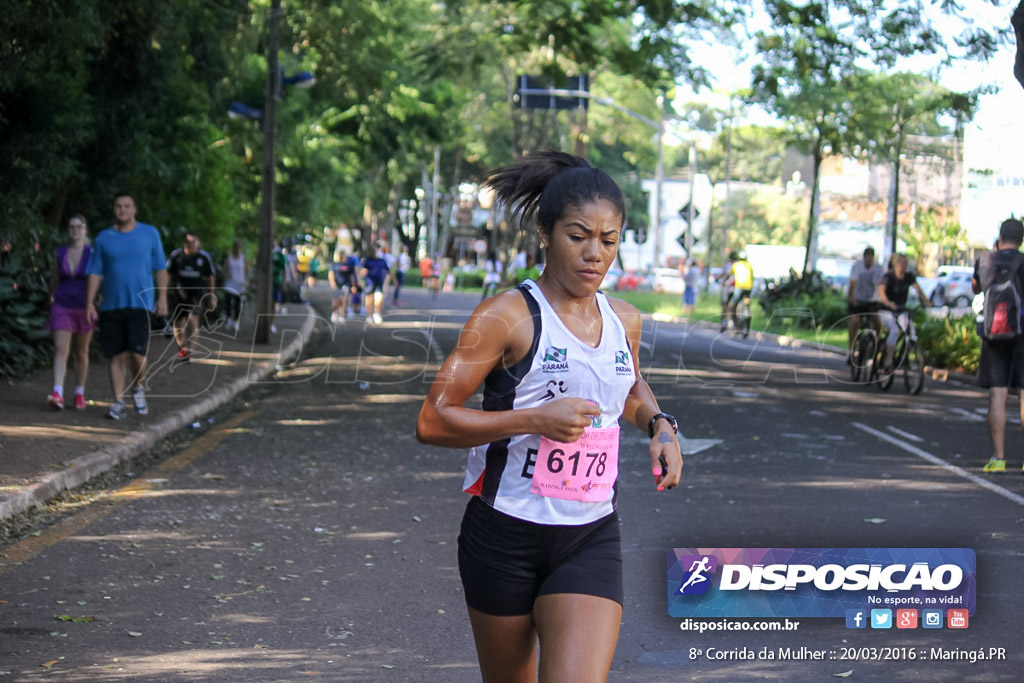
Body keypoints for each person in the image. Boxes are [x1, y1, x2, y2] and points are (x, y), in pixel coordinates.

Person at [416, 151, 683, 683]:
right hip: (503, 536)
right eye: (578, 235)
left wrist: (658, 424)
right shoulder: (505, 317)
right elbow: (433, 420)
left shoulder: (623, 319)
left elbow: (624, 386)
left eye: (608, 240)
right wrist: (533, 419)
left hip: (589, 535)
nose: (594, 254)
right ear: (545, 231)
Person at [85, 192, 168, 420]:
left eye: (127, 206)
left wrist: (163, 298)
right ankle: (118, 402)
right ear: (114, 210)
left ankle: (138, 388)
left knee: (138, 354)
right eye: (119, 206)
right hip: (111, 305)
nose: (123, 210)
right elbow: (94, 272)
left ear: (134, 209)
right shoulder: (104, 238)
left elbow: (160, 268)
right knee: (115, 356)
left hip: (140, 305)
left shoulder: (149, 233)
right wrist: (89, 303)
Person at [972, 219, 1024, 473]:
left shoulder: (987, 260)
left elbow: (976, 288)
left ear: (1000, 237)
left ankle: (999, 459)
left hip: (994, 334)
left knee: (998, 394)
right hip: (1023, 334)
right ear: (1021, 239)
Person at [46, 214, 96, 410]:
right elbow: (55, 278)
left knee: (81, 352)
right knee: (61, 350)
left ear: (85, 229)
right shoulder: (60, 252)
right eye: (71, 227)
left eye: (78, 226)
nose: (74, 230)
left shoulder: (92, 253)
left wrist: (93, 303)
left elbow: (98, 279)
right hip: (62, 303)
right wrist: (50, 297)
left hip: (85, 305)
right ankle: (57, 391)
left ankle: (79, 392)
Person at [166, 233, 216, 362]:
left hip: (196, 294)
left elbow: (210, 277)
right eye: (188, 242)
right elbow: (167, 273)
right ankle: (182, 347)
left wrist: (212, 296)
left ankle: (190, 351)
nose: (191, 244)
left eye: (193, 242)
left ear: (198, 242)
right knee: (179, 323)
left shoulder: (204, 257)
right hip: (179, 293)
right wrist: (164, 293)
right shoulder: (176, 255)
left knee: (193, 319)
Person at [875, 253, 929, 372]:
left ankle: (906, 358)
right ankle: (888, 360)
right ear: (895, 264)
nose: (905, 266)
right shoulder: (888, 276)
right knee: (894, 330)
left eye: (906, 263)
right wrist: (887, 302)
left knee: (910, 331)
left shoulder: (908, 276)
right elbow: (881, 290)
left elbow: (918, 290)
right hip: (886, 310)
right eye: (902, 263)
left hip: (900, 310)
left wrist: (926, 301)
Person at [847, 247, 884, 359]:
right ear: (864, 257)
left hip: (872, 301)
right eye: (867, 256)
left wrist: (883, 299)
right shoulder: (858, 266)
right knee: (855, 321)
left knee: (877, 323)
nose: (869, 259)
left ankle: (875, 345)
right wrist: (851, 298)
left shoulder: (879, 269)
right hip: (858, 300)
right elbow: (852, 283)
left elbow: (882, 285)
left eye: (871, 257)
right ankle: (851, 349)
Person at [222, 239, 248, 334]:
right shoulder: (229, 258)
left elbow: (247, 270)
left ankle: (236, 321)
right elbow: (224, 270)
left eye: (239, 246)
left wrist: (246, 281)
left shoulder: (243, 258)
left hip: (239, 284)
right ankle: (229, 319)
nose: (237, 248)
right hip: (230, 283)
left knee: (238, 302)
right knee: (228, 301)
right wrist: (226, 274)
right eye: (236, 246)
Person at [724, 251, 753, 332]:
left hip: (739, 287)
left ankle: (736, 324)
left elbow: (729, 276)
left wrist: (724, 282)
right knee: (747, 302)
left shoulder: (735, 265)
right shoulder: (749, 265)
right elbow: (752, 276)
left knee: (733, 306)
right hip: (748, 288)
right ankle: (748, 311)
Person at [328, 249, 360, 323]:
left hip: (345, 284)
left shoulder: (348, 265)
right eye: (343, 256)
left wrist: (353, 285)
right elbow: (331, 273)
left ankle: (342, 315)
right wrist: (332, 283)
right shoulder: (334, 264)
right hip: (337, 285)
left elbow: (351, 276)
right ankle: (335, 312)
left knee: (344, 299)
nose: (344, 257)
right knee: (337, 300)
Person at [361, 245, 390, 325]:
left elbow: (388, 272)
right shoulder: (367, 260)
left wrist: (385, 284)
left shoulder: (382, 261)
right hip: (369, 283)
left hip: (379, 283)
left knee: (379, 299)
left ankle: (376, 313)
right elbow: (363, 271)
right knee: (369, 301)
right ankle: (369, 316)